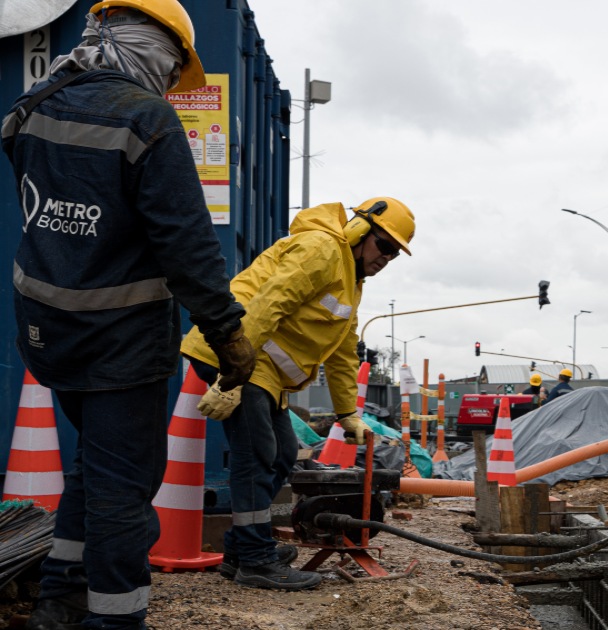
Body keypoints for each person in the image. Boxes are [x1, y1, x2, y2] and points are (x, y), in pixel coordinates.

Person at [2, 2, 255, 628]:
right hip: (122, 344)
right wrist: (228, 335)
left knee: (96, 466)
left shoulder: (32, 106)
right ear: (153, 49)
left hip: (48, 333)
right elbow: (189, 250)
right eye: (172, 70)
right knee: (124, 491)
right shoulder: (148, 120)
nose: (171, 83)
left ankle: (60, 598)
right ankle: (115, 618)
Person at [181, 197, 416, 591]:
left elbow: (343, 350)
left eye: (394, 254)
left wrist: (347, 414)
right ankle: (256, 560)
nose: (386, 258)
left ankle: (242, 549)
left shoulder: (350, 282)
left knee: (283, 455)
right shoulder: (322, 250)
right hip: (236, 355)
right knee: (257, 457)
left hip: (261, 369)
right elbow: (265, 305)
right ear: (360, 230)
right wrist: (232, 376)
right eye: (385, 245)